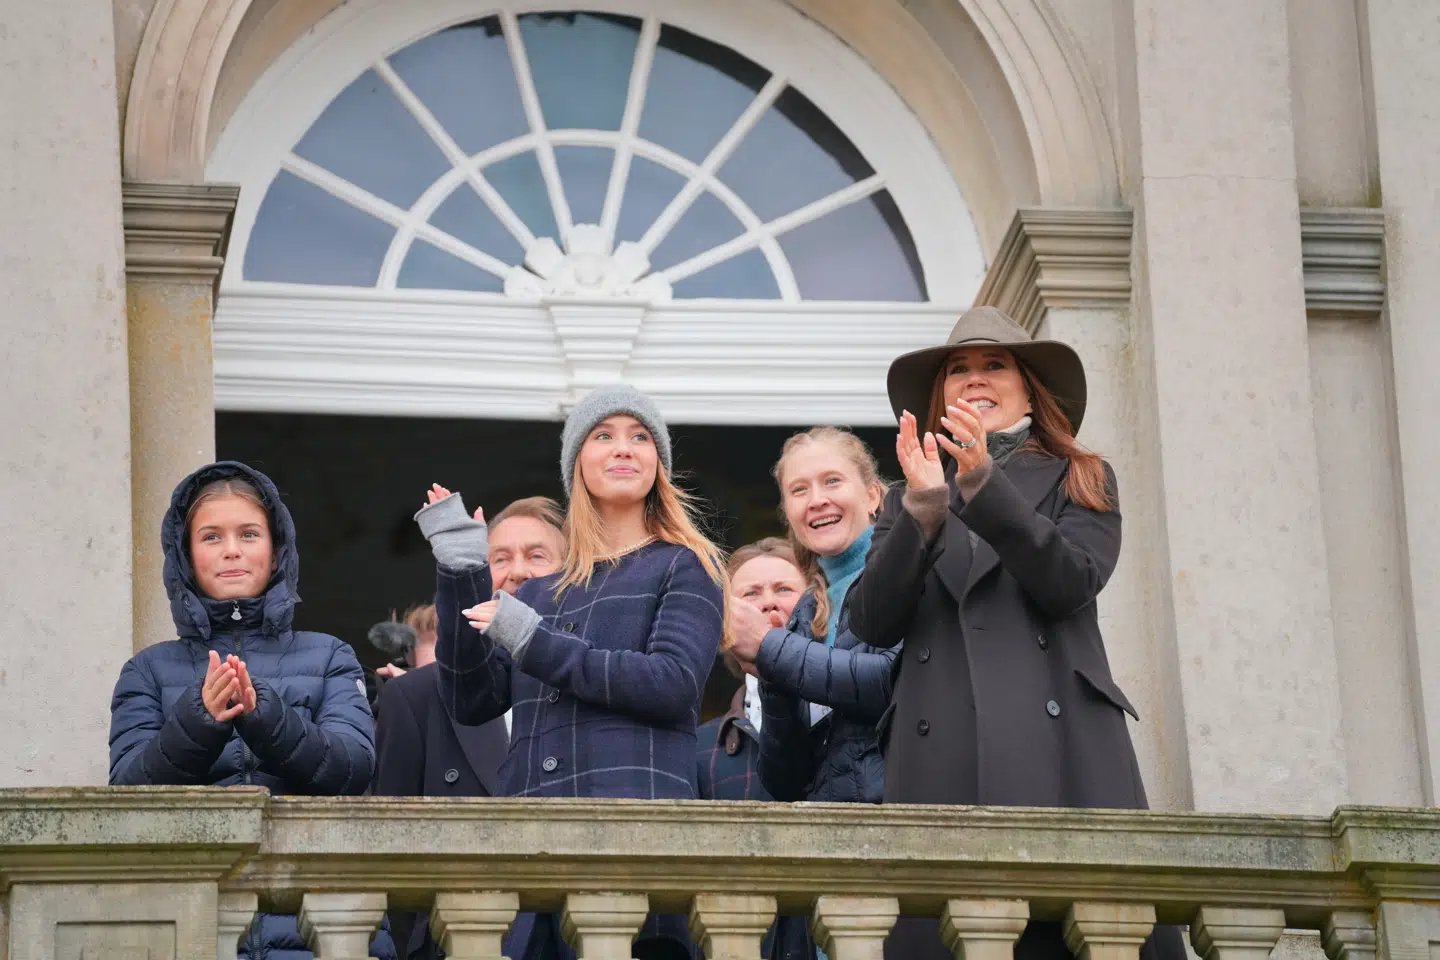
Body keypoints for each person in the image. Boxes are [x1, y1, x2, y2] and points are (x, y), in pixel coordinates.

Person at [847, 306, 1182, 960]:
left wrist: (982, 484)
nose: (976, 378)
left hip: (1064, 760)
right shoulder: (907, 494)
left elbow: (1069, 582)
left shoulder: (1081, 474)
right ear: (939, 395)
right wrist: (922, 511)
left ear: (1028, 388)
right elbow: (871, 619)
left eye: (995, 364)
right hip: (940, 761)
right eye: (959, 369)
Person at [414, 384, 724, 960]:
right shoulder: (539, 591)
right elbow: (472, 699)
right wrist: (460, 570)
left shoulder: (686, 565)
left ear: (659, 462)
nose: (623, 448)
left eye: (639, 437)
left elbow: (672, 683)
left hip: (633, 845)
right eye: (602, 435)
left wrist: (535, 642)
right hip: (528, 851)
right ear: (576, 461)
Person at [108, 461, 379, 960]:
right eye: (211, 536)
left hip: (316, 926)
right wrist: (201, 719)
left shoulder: (331, 656)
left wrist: (263, 716)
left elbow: (354, 769)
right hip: (188, 927)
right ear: (186, 557)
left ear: (276, 551)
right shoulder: (145, 670)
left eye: (249, 534)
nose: (232, 549)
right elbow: (126, 794)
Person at [373, 498, 565, 960]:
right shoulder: (415, 697)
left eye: (537, 556)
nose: (517, 571)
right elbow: (389, 852)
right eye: (499, 558)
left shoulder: (597, 684)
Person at [728, 427, 896, 807]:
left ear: (872, 495)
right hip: (835, 831)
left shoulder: (910, 569)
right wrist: (770, 675)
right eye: (799, 490)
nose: (817, 500)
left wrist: (772, 647)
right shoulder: (805, 612)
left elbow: (891, 682)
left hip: (907, 820)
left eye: (832, 481)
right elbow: (786, 781)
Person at [696, 538, 804, 803]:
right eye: (751, 593)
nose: (768, 602)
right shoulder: (698, 748)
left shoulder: (848, 726)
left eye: (784, 589)